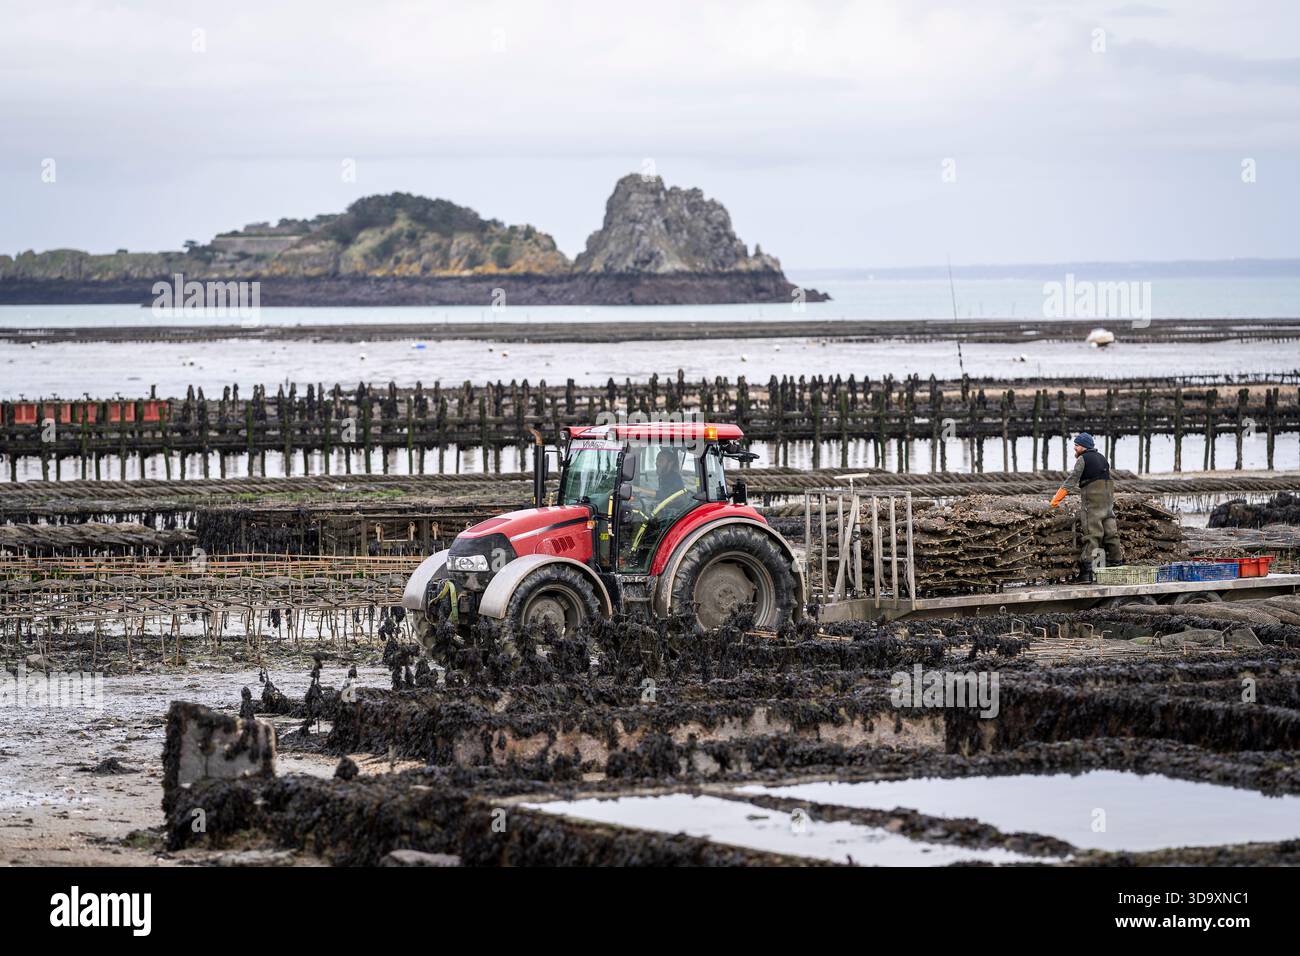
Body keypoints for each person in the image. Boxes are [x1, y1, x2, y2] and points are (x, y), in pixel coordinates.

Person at [1050, 432, 1124, 580]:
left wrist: (1055, 501)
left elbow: (1071, 481)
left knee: (1093, 534)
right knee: (1110, 533)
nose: (1075, 449)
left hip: (1093, 502)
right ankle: (1116, 563)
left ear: (1084, 446)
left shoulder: (1083, 459)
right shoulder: (1102, 458)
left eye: (1076, 446)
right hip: (1108, 501)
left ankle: (1087, 572)